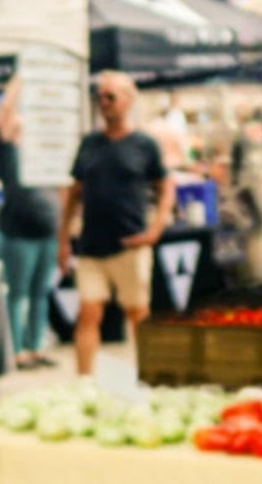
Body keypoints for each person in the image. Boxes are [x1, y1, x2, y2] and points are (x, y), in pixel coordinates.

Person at [58, 70, 175, 377]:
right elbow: (75, 192)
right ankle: (84, 383)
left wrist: (156, 228)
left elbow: (165, 185)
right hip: (92, 246)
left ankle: (149, 377)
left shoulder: (144, 143)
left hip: (130, 243)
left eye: (110, 96)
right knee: (88, 313)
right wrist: (62, 239)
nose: (104, 103)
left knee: (137, 313)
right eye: (99, 97)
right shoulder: (90, 143)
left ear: (128, 100)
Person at [0, 78, 60, 372]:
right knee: (19, 294)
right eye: (19, 124)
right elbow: (4, 116)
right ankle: (16, 351)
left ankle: (35, 346)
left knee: (41, 294)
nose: (23, 127)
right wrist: (22, 79)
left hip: (47, 234)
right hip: (20, 234)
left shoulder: (42, 159)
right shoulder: (8, 152)